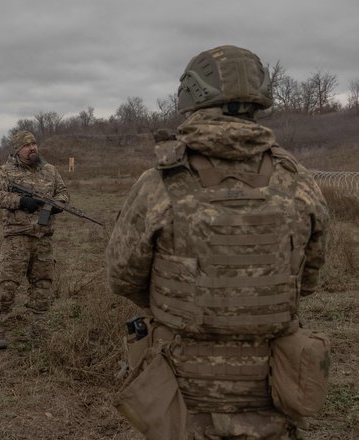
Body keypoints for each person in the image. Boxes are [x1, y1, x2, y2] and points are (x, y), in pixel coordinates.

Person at [106, 45, 329, 439]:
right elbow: (308, 278)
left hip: (182, 386)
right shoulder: (300, 181)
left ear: (192, 98)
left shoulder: (159, 183)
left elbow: (123, 276)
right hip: (271, 382)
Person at [0, 130, 69, 349]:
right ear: (17, 149)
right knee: (7, 285)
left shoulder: (50, 170)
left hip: (43, 239)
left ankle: (38, 330)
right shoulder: (5, 171)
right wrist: (20, 201)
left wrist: (55, 205)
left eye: (34, 144)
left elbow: (63, 193)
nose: (32, 148)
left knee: (42, 285)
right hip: (17, 238)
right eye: (27, 145)